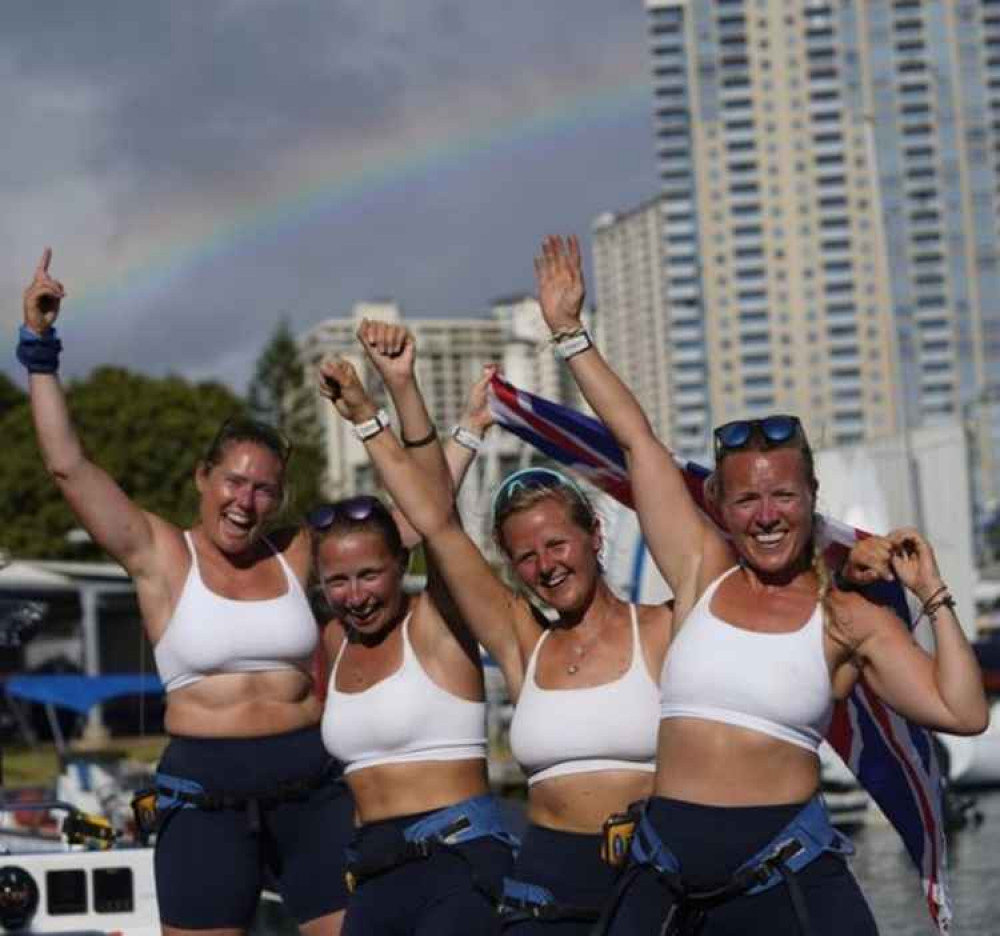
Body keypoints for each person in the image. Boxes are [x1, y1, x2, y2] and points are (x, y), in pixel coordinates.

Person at [530, 234, 990, 935]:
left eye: (783, 497)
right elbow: (639, 443)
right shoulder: (700, 572)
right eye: (747, 501)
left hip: (782, 880)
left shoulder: (847, 619)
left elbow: (962, 712)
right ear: (718, 505)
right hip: (664, 876)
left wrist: (934, 593)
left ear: (811, 496)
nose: (767, 516)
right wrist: (570, 334)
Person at [19, 249, 354, 936]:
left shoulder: (298, 551)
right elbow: (67, 465)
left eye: (263, 488)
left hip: (311, 790)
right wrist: (41, 348)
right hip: (203, 796)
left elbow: (413, 522)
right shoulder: (161, 553)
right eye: (233, 480)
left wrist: (377, 411)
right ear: (203, 478)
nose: (246, 499)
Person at [317, 345, 673, 934]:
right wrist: (366, 416)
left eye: (557, 544)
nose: (546, 565)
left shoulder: (663, 627)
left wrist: (570, 336)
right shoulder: (520, 642)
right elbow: (435, 521)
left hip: (649, 882)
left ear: (594, 535)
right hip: (541, 891)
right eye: (525, 556)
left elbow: (647, 455)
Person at [313, 322, 517, 936]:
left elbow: (438, 521)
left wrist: (395, 392)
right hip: (374, 873)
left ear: (403, 564)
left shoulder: (436, 626)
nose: (355, 597)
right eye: (338, 582)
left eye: (370, 576)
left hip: (458, 865)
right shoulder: (332, 642)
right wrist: (467, 434)